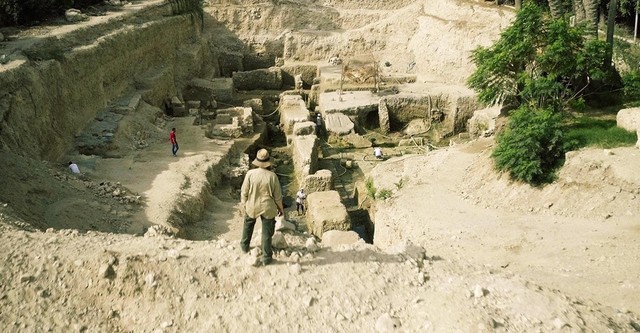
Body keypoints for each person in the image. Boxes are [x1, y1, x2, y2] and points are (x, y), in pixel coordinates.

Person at [239, 149, 284, 266]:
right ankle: (266, 257)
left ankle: (244, 246)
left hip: (252, 205)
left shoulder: (250, 174)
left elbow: (244, 191)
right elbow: (278, 197)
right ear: (268, 162)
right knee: (266, 232)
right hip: (268, 207)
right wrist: (281, 209)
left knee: (248, 225)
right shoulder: (272, 176)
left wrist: (244, 203)